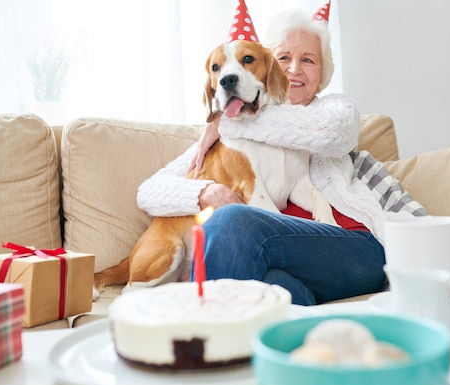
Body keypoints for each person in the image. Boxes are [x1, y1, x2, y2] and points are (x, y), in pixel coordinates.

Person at [136, 5, 428, 305]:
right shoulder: (230, 131)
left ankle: (207, 332)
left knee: (233, 221)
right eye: (284, 58)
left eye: (309, 60)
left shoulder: (333, 109)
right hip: (283, 260)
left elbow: (329, 133)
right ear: (267, 66)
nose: (294, 69)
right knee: (268, 289)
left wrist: (228, 121)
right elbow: (148, 192)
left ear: (323, 71)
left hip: (351, 249)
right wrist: (206, 190)